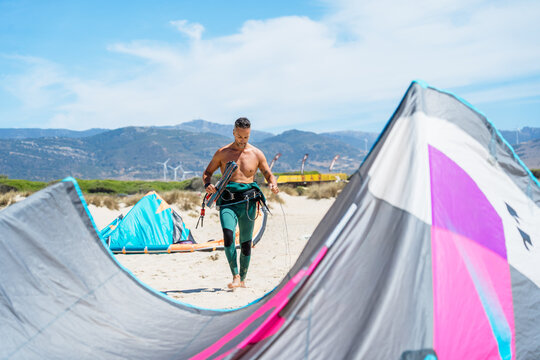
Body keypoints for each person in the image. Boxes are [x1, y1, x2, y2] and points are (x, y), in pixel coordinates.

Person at [203, 117, 279, 288]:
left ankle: (243, 279)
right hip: (227, 200)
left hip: (248, 202)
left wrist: (272, 183)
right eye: (239, 137)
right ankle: (235, 276)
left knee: (246, 242)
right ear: (233, 132)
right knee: (228, 237)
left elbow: (268, 173)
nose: (242, 140)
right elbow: (207, 172)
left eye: (246, 137)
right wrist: (208, 185)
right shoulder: (222, 152)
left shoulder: (256, 153)